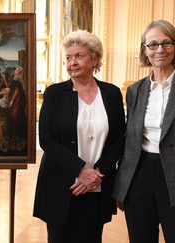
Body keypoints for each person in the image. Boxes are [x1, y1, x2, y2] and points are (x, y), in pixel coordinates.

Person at [33, 30, 125, 243]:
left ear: (94, 59)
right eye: (68, 57)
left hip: (98, 186)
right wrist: (81, 170)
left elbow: (120, 138)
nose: (72, 62)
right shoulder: (54, 93)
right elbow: (46, 139)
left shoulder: (111, 93)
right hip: (61, 185)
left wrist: (97, 174)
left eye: (78, 56)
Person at [113, 20, 175, 243]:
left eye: (167, 43)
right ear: (144, 50)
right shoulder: (135, 90)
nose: (160, 50)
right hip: (139, 174)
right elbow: (130, 140)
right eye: (153, 44)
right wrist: (123, 185)